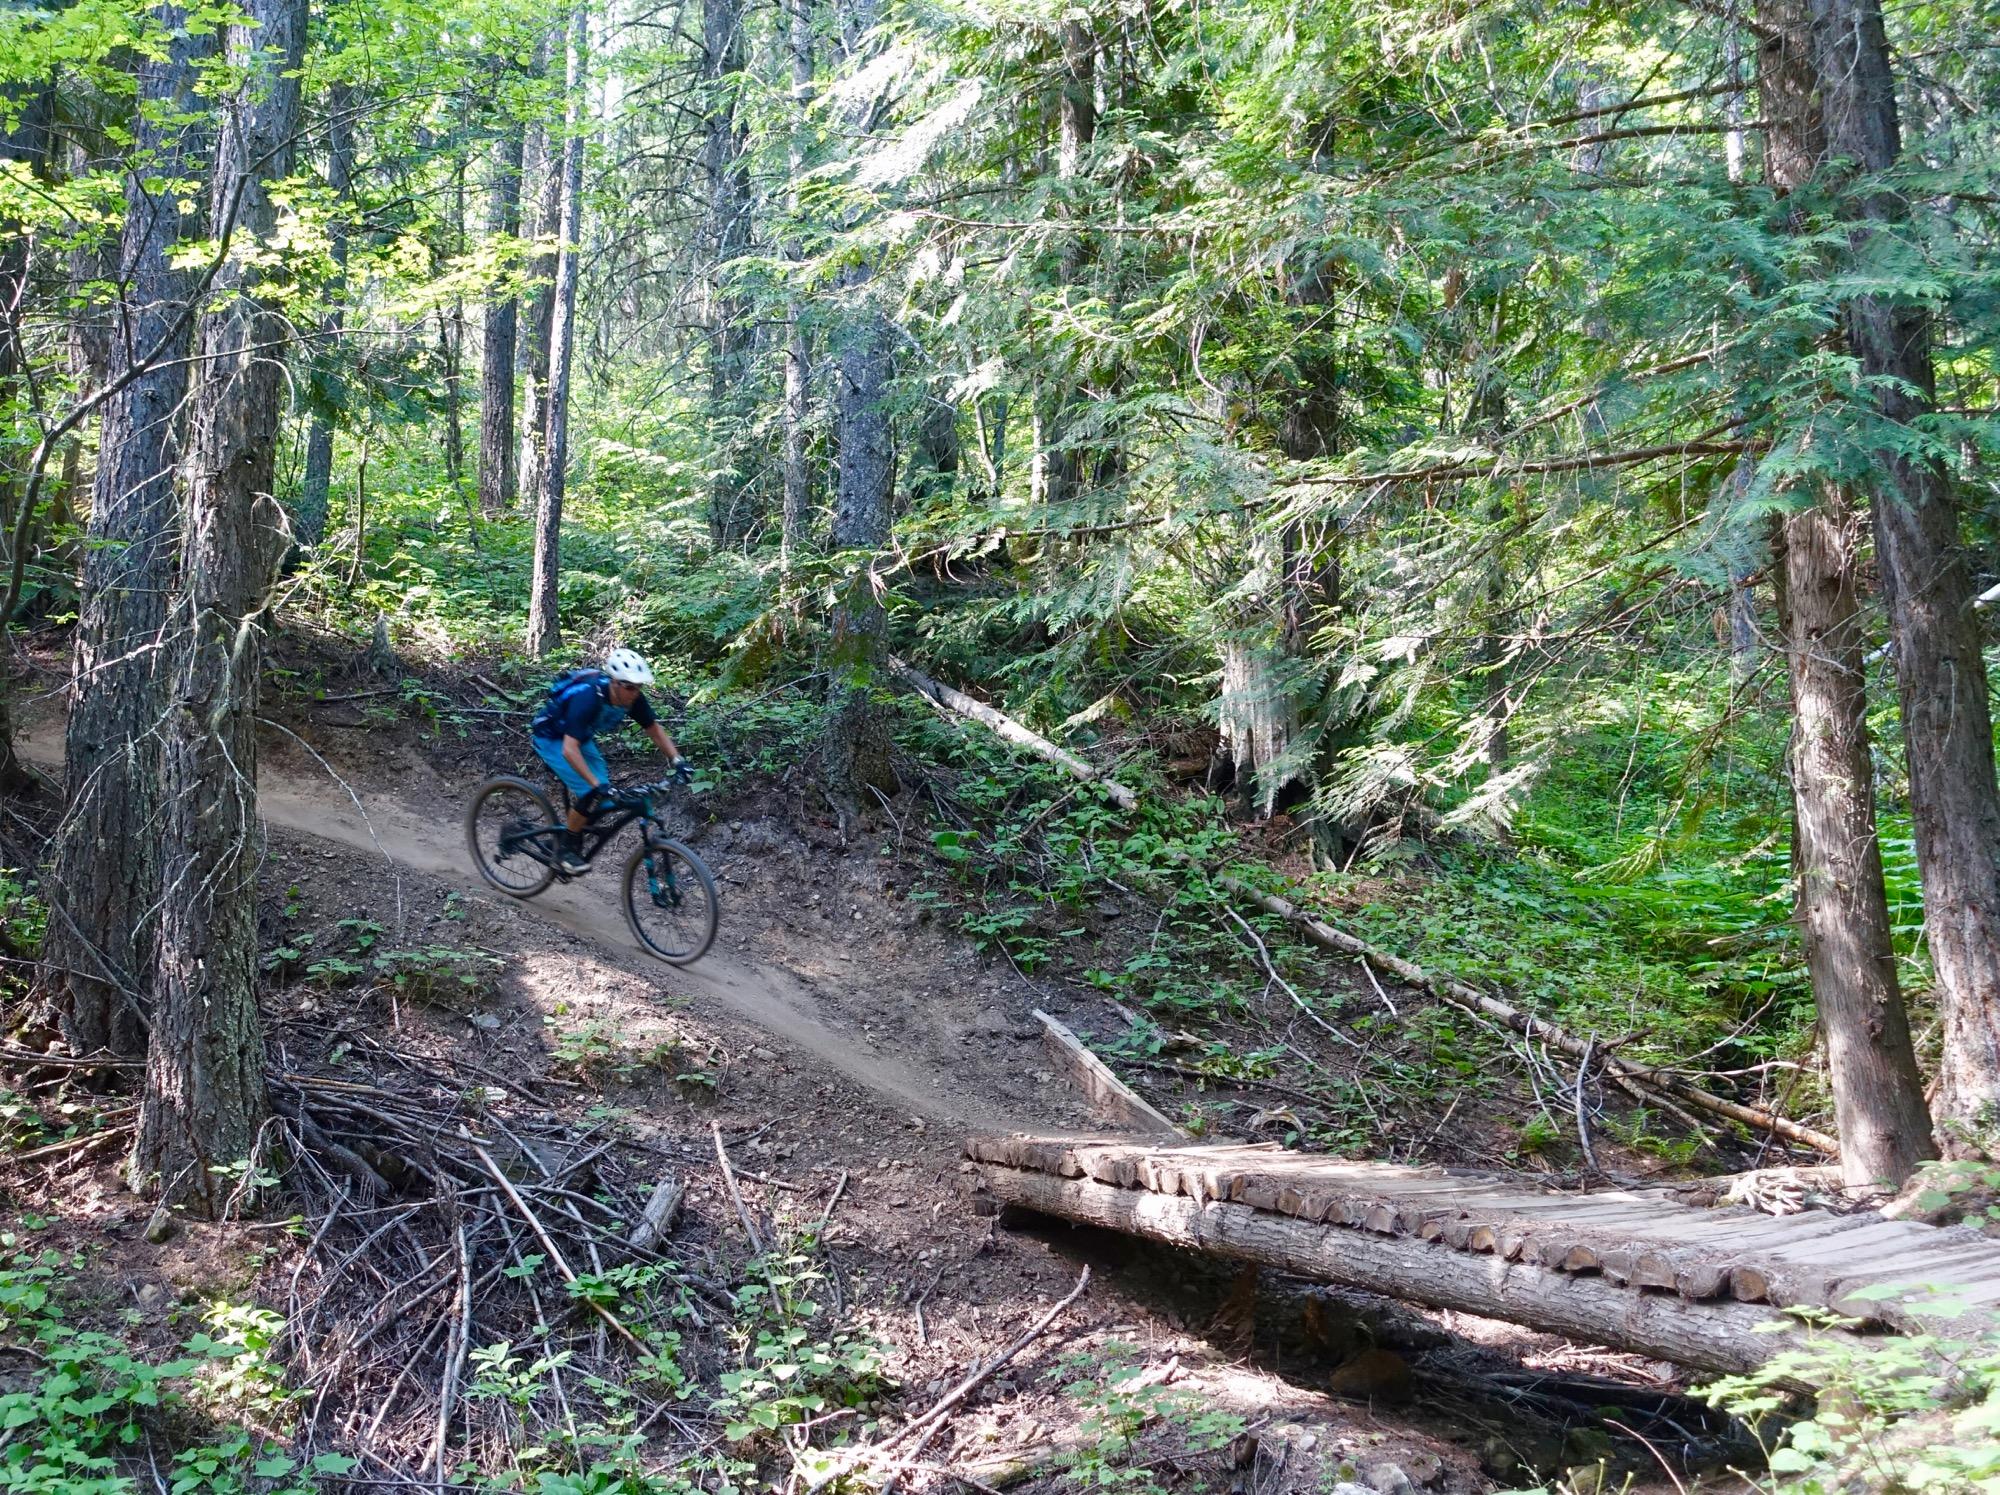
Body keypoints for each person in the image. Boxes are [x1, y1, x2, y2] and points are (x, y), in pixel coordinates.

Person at [531, 648, 685, 874]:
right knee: (590, 789)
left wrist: (677, 759)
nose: (635, 693)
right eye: (630, 687)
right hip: (552, 738)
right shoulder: (588, 697)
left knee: (603, 796)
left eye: (639, 687)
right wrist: (594, 785)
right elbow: (569, 750)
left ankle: (570, 832)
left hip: (579, 737)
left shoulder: (633, 699)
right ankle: (566, 849)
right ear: (614, 682)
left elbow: (653, 728)